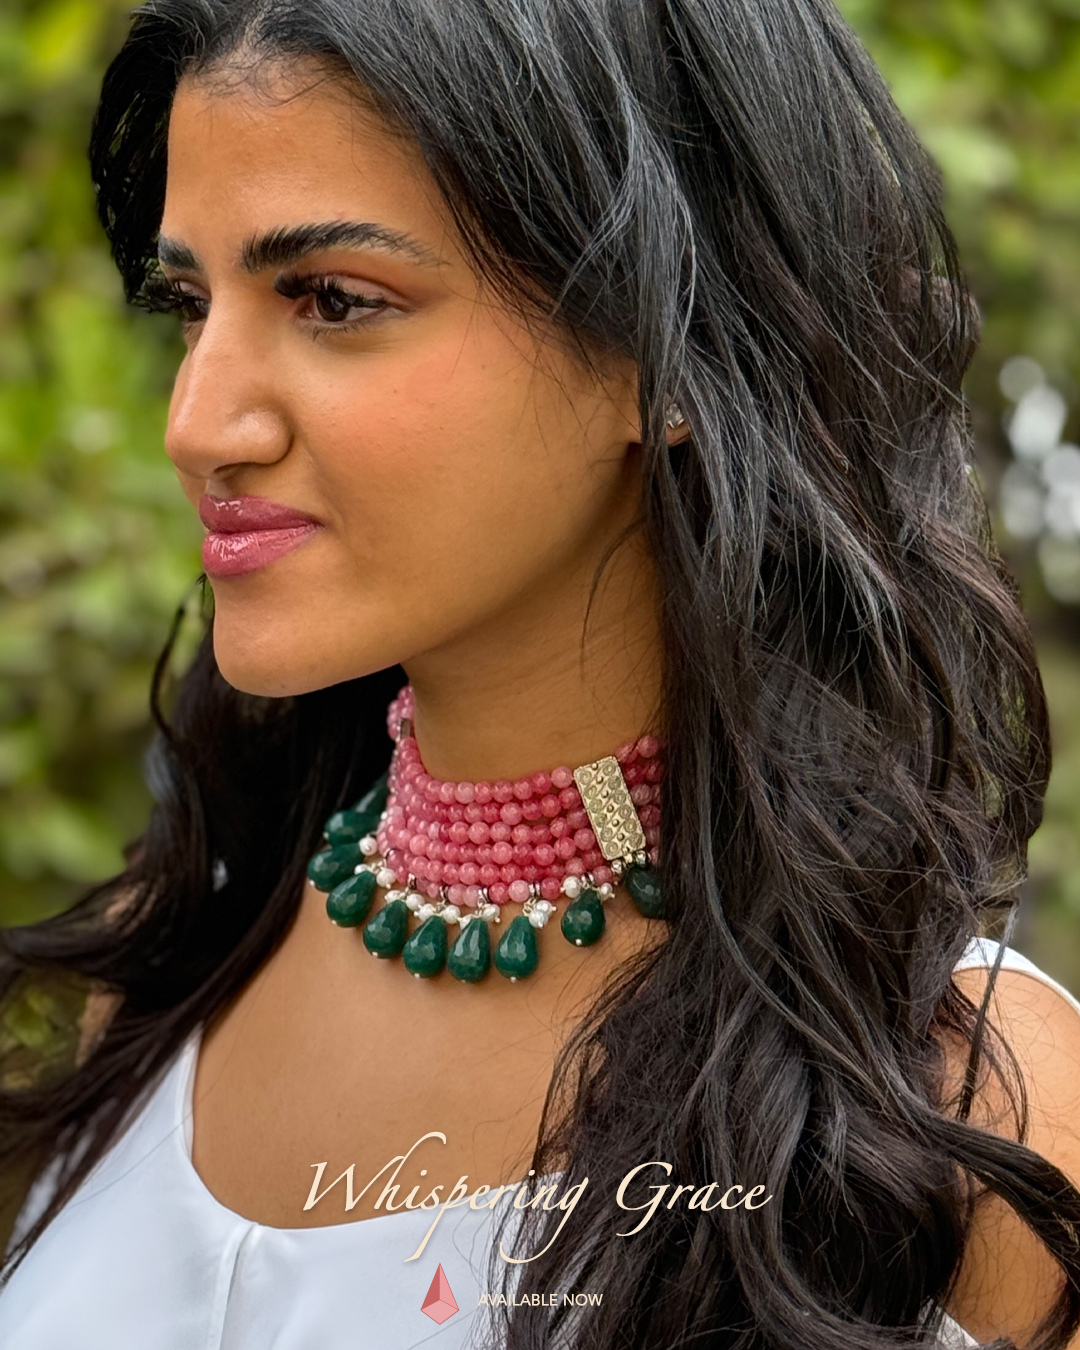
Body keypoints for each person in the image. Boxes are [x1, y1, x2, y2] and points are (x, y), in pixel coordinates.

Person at [2, 0, 1080, 1346]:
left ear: (667, 353)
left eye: (334, 299)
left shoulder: (969, 1123)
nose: (196, 422)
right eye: (189, 304)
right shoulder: (159, 983)